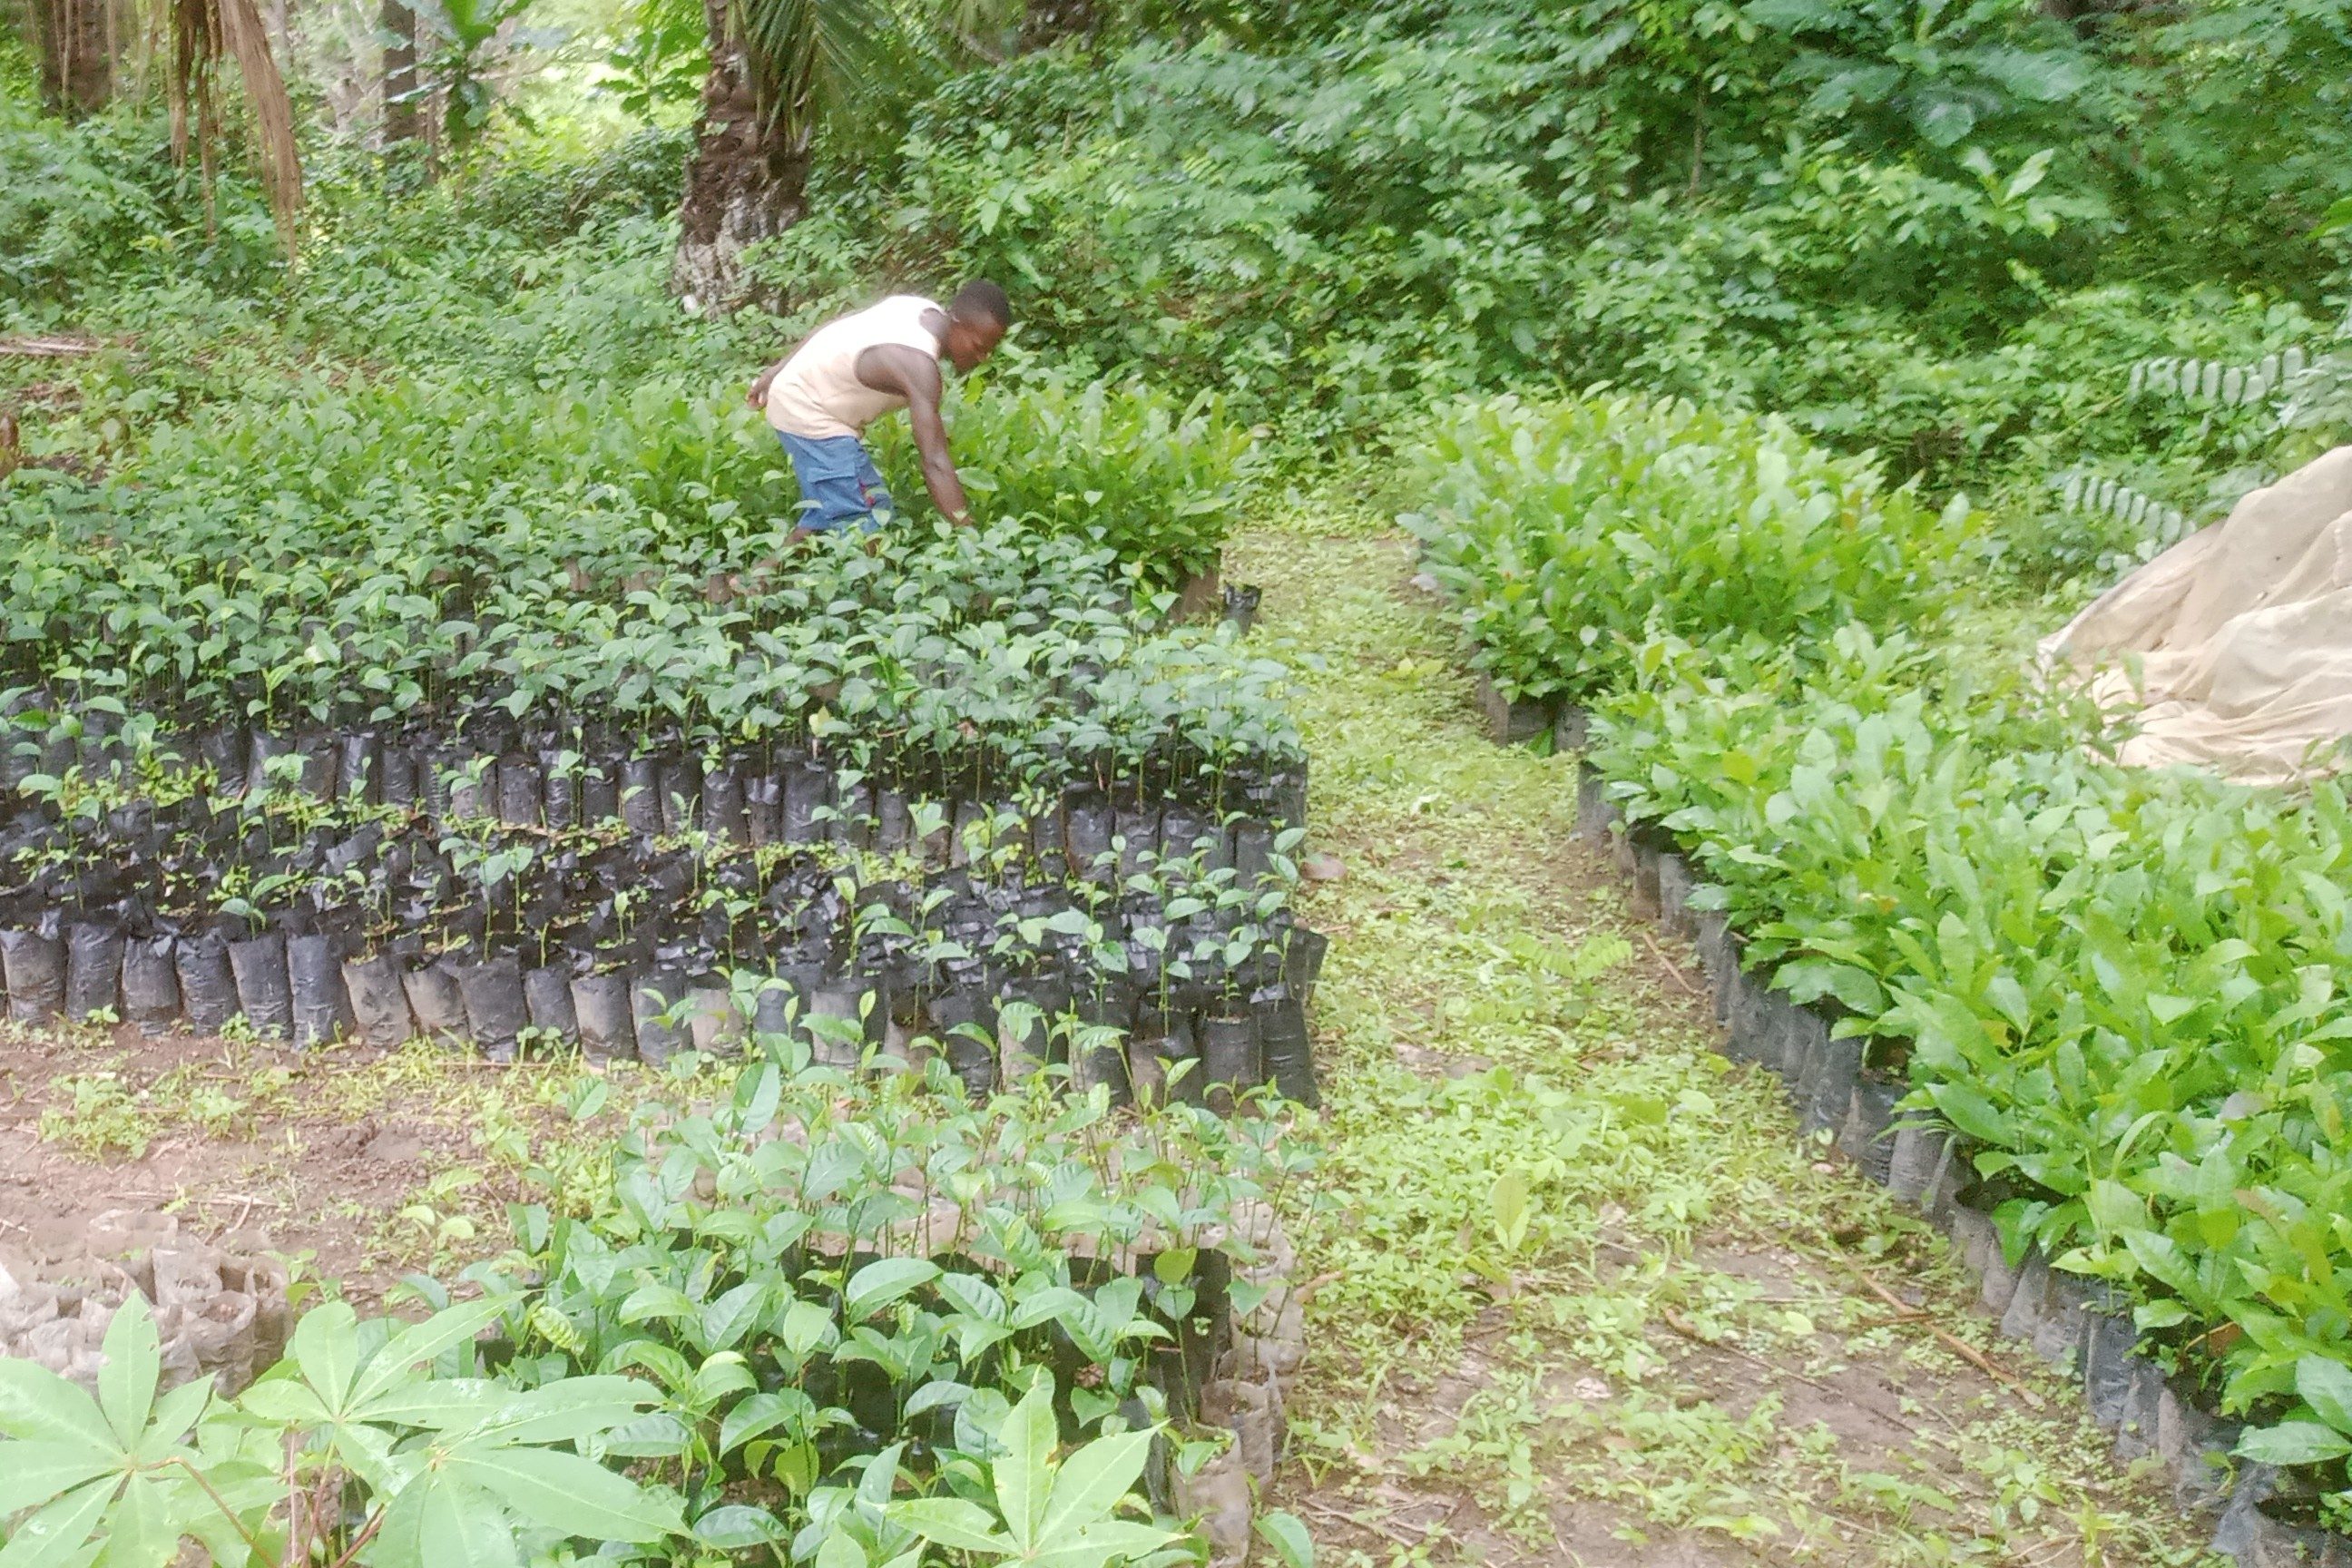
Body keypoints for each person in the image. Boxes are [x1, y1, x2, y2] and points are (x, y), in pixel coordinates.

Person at [748, 280, 1010, 536]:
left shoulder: (918, 308)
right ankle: (858, 579)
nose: (981, 358)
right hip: (808, 409)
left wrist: (775, 371)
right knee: (867, 518)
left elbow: (834, 326)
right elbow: (933, 460)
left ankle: (752, 581)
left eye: (989, 351)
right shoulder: (919, 367)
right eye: (978, 347)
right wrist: (967, 535)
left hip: (803, 394)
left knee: (838, 508)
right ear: (956, 323)